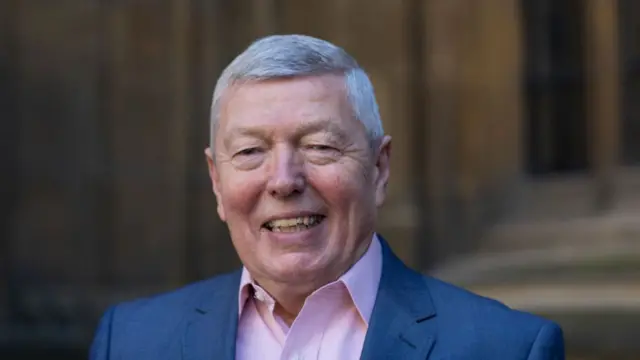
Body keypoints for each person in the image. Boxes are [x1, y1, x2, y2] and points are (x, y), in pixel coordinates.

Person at [90, 34, 565, 360]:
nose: (283, 180)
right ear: (217, 181)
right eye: (251, 151)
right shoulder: (131, 342)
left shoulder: (505, 348)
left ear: (379, 169)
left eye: (319, 147)